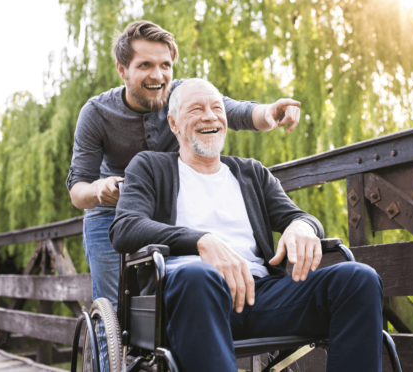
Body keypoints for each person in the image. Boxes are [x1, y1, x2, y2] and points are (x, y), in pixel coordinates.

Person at [110, 79, 384, 371]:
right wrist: (202, 241)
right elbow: (125, 227)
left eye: (217, 108)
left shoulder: (251, 172)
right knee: (198, 275)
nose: (210, 116)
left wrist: (302, 227)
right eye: (197, 109)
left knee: (358, 279)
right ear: (174, 123)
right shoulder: (150, 167)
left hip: (261, 295)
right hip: (188, 295)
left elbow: (298, 216)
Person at [66, 20, 302, 308]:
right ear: (122, 69)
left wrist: (271, 112)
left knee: (170, 296)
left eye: (165, 65)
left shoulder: (183, 97)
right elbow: (78, 191)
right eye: (145, 65)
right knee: (114, 308)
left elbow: (236, 111)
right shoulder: (96, 113)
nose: (158, 75)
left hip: (165, 209)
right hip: (110, 214)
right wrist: (99, 189)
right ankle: (112, 350)